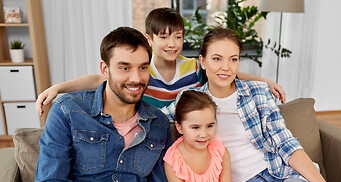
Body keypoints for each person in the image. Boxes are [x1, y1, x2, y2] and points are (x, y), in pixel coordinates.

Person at [162, 27, 341, 182]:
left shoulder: (258, 93)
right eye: (217, 59)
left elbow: (288, 146)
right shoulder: (189, 101)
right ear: (203, 61)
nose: (226, 67)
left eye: (233, 59)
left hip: (286, 175)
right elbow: (153, 119)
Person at [32, 26, 189, 182]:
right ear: (104, 69)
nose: (136, 78)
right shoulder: (67, 111)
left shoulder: (159, 123)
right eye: (124, 68)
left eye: (143, 68)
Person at [35, 7, 286, 116]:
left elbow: (225, 71)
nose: (172, 44)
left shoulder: (192, 66)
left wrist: (264, 81)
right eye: (164, 37)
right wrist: (57, 88)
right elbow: (97, 78)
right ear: (149, 39)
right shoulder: (142, 70)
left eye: (178, 37)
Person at [163, 90, 253, 182]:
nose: (204, 134)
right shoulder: (172, 161)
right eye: (195, 127)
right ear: (179, 128)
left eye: (209, 126)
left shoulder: (220, 151)